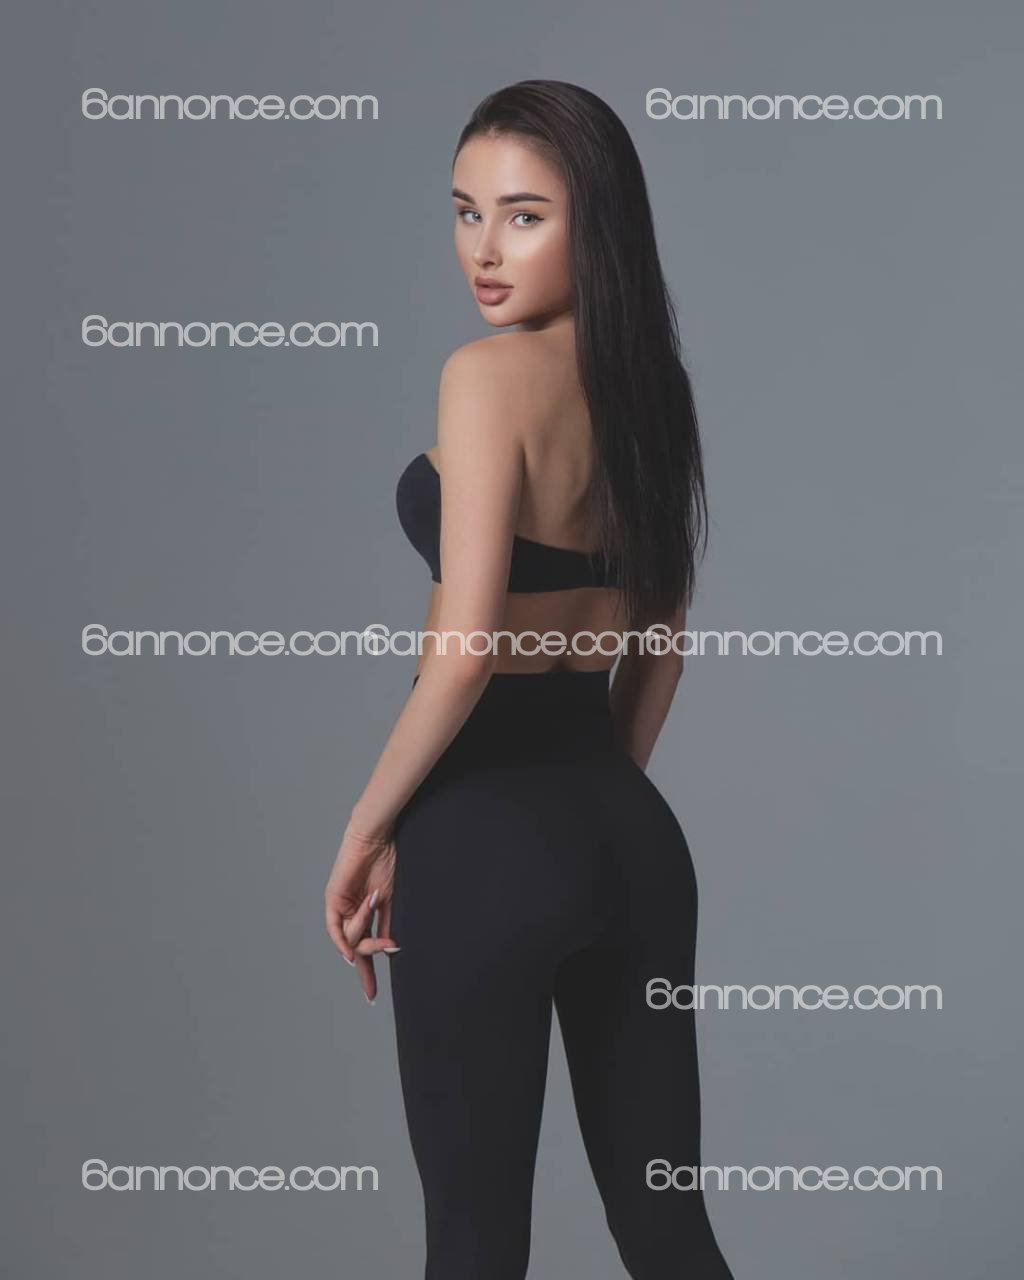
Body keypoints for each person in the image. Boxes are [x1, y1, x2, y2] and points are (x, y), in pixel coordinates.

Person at [325, 79, 734, 1280]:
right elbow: (661, 633)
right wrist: (595, 793)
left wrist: (370, 827)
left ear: (594, 223)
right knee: (666, 1227)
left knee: (473, 1241)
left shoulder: (483, 376)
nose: (484, 250)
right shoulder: (654, 387)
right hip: (629, 834)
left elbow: (463, 651)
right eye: (466, 212)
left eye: (523, 215)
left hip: (481, 833)